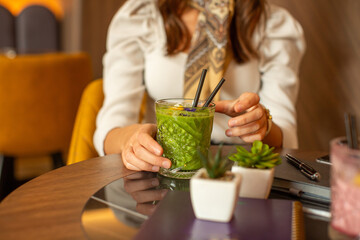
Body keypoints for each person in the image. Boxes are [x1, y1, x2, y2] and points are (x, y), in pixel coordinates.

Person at [94, 0, 306, 172]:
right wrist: (131, 141)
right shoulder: (140, 16)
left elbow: (286, 135)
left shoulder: (273, 25)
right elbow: (111, 128)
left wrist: (262, 125)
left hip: (241, 167)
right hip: (164, 162)